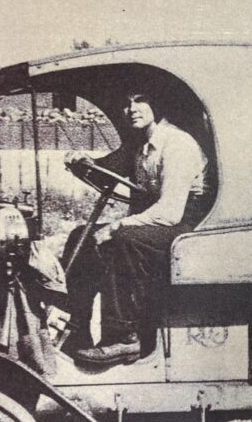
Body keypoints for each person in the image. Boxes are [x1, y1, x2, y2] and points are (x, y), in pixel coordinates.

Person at [62, 90, 211, 365]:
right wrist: (80, 161)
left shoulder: (178, 143)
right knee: (79, 237)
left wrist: (117, 225)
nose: (131, 109)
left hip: (190, 225)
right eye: (126, 103)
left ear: (156, 103)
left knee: (125, 239)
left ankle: (124, 337)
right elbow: (104, 169)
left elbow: (170, 212)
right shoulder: (140, 144)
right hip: (158, 221)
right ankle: (76, 329)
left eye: (140, 100)